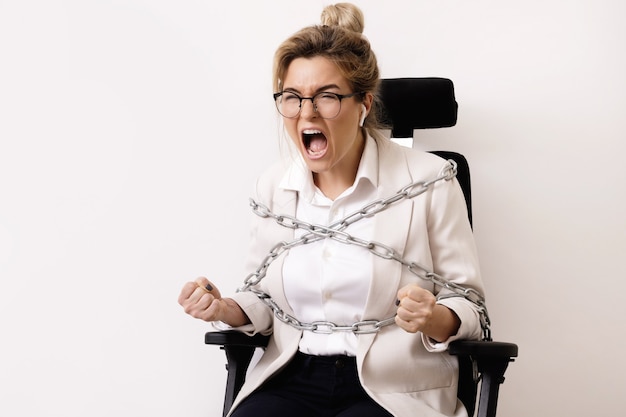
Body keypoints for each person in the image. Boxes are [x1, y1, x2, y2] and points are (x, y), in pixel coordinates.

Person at [178, 3, 486, 416]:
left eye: (327, 97)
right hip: (291, 376)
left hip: (392, 384)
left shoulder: (430, 180)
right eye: (292, 97)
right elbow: (263, 300)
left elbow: (472, 309)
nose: (307, 113)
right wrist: (224, 309)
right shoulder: (272, 188)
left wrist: (433, 318)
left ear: (363, 104)